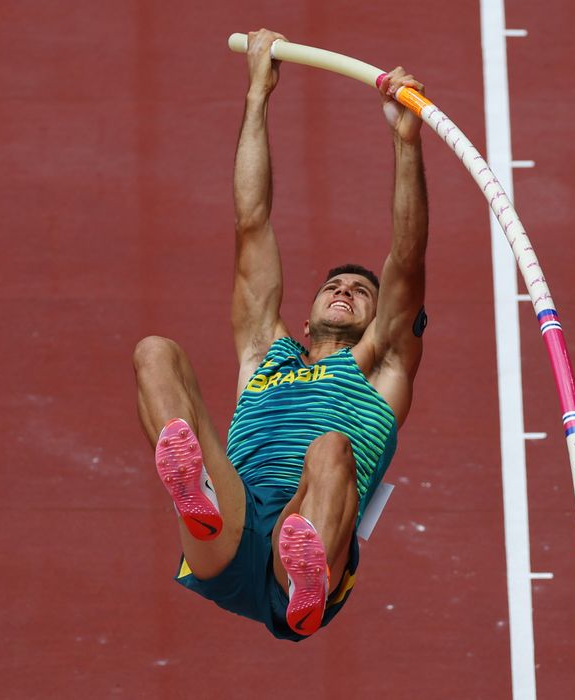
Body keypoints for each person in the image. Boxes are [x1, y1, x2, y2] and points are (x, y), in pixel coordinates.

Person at [132, 28, 429, 641]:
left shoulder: (382, 367)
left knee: (330, 450)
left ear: (380, 322)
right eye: (335, 285)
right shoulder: (264, 353)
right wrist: (257, 95)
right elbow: (253, 221)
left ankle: (305, 578)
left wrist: (405, 144)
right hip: (232, 526)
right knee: (155, 353)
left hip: (311, 533)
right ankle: (198, 496)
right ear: (307, 312)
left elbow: (407, 257)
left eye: (361, 293)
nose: (345, 291)